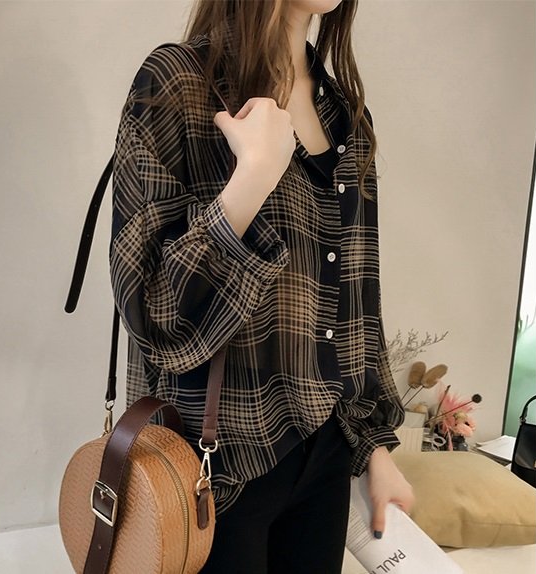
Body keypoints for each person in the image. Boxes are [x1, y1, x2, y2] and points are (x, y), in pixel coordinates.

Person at [109, 0, 415, 572]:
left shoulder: (345, 113)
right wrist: (251, 178)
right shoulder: (179, 84)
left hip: (325, 456)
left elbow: (356, 299)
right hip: (212, 472)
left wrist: (373, 444)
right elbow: (152, 314)